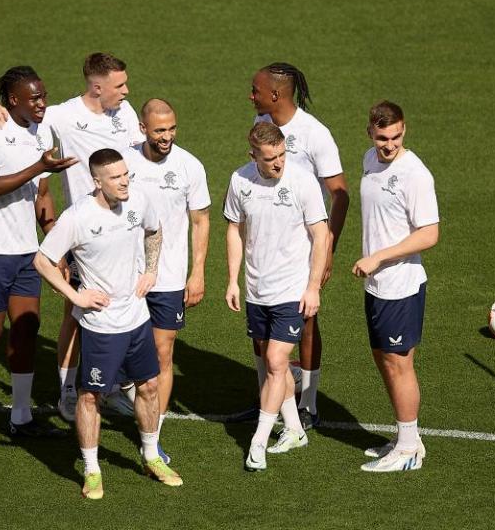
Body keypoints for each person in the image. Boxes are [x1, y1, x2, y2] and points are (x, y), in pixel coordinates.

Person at [0, 53, 145, 420]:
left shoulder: (126, 113)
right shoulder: (62, 115)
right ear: (96, 86)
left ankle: (114, 386)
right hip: (86, 232)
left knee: (123, 301)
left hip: (125, 228)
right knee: (78, 310)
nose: (126, 91)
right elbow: (21, 122)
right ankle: (69, 392)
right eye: (119, 85)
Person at [33, 148, 183, 499]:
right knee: (91, 397)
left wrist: (151, 270)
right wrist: (75, 297)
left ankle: (150, 456)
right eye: (116, 178)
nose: (124, 182)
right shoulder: (77, 217)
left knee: (148, 386)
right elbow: (42, 260)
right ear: (97, 181)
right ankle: (92, 469)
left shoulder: (137, 200)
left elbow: (154, 231)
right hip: (101, 326)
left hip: (137, 319)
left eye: (126, 174)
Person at [0, 65, 77, 442]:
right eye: (35, 98)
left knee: (26, 328)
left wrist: (56, 243)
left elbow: (42, 195)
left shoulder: (41, 131)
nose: (43, 103)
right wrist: (39, 166)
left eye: (44, 95)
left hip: (27, 249)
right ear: (14, 100)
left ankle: (22, 417)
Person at [224, 122, 329, 472]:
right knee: (276, 365)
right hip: (257, 290)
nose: (278, 163)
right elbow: (234, 231)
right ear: (253, 155)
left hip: (292, 290)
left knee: (274, 361)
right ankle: (296, 430)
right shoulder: (240, 181)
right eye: (270, 159)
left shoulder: (302, 181)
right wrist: (233, 281)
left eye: (282, 155)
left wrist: (313, 286)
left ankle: (257, 442)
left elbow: (321, 236)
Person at [250, 62, 349, 428]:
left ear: (275, 94)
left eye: (256, 90)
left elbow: (340, 195)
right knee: (259, 326)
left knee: (305, 322)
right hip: (265, 245)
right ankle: (269, 399)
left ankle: (307, 401)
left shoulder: (313, 134)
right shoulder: (263, 125)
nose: (251, 95)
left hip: (302, 247)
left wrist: (328, 250)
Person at [352, 101, 439, 472]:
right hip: (378, 285)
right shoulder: (369, 160)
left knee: (399, 364)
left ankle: (407, 451)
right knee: (383, 359)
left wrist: (379, 257)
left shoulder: (414, 174)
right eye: (383, 137)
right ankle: (407, 436)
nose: (389, 144)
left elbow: (430, 234)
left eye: (397, 136)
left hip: (400, 285)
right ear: (370, 131)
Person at [123, 98, 211, 464]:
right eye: (159, 130)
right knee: (121, 352)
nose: (167, 136)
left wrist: (198, 272)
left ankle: (151, 439)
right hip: (126, 277)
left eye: (172, 128)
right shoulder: (123, 162)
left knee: (163, 353)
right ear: (143, 129)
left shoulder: (189, 165)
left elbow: (201, 221)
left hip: (170, 278)